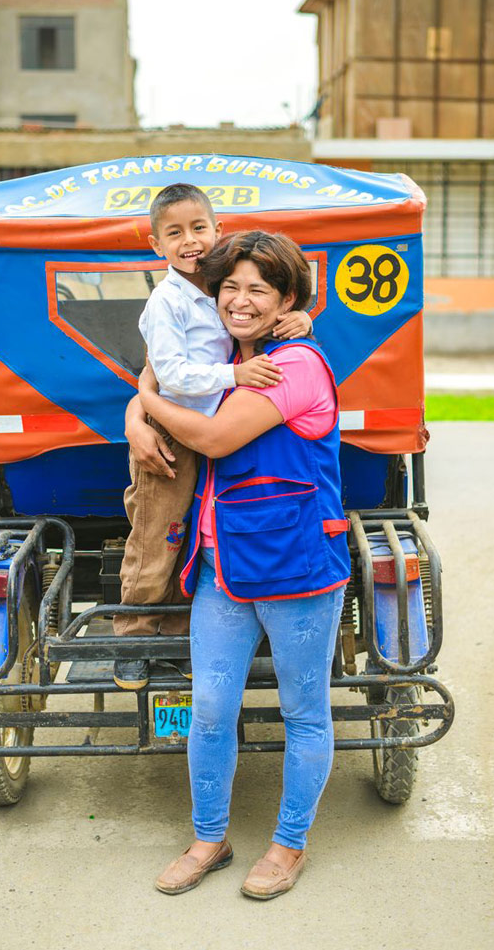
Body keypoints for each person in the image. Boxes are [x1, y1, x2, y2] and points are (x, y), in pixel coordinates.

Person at [127, 230, 351, 900]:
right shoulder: (224, 356)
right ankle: (209, 838)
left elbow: (215, 435)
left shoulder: (297, 363)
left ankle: (288, 847)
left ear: (287, 299)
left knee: (304, 712)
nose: (239, 299)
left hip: (298, 571)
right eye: (229, 286)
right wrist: (141, 405)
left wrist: (142, 406)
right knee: (210, 709)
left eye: (259, 288)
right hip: (223, 570)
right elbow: (165, 367)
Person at [112, 184, 311, 690]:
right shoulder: (166, 302)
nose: (190, 241)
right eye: (174, 233)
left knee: (194, 542)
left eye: (199, 228)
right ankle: (133, 639)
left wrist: (302, 318)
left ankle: (177, 636)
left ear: (218, 231)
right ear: (156, 244)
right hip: (174, 435)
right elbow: (172, 375)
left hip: (220, 428)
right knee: (159, 535)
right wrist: (234, 379)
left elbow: (266, 307)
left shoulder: (222, 287)